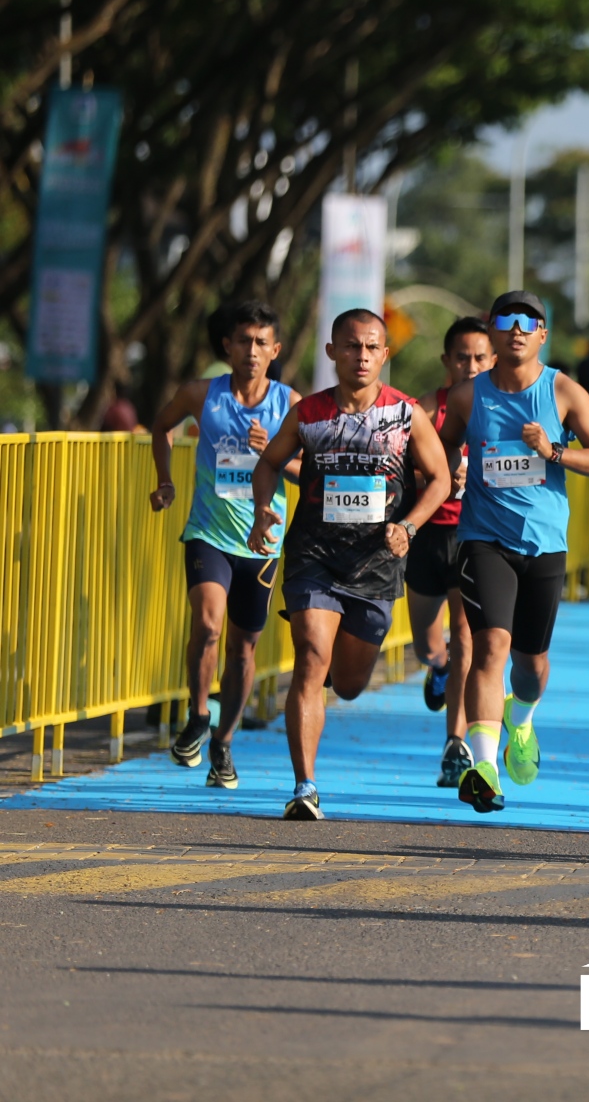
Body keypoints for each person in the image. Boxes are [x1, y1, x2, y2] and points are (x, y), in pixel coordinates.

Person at [248, 309, 452, 820]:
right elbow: (269, 463)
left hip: (376, 563)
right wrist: (262, 508)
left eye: (371, 347)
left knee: (349, 683)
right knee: (311, 657)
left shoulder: (405, 414)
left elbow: (441, 479)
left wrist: (408, 527)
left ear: (385, 354)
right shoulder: (309, 413)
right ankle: (305, 786)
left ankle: (337, 681)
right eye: (351, 346)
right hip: (314, 555)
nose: (361, 356)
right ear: (332, 352)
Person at [436, 292, 589, 814]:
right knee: (490, 645)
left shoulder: (562, 391)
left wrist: (554, 451)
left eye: (528, 322)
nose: (516, 329)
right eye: (506, 320)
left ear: (542, 335)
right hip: (482, 538)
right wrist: (450, 470)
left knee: (530, 664)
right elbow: (442, 445)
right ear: (492, 332)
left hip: (544, 543)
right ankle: (484, 768)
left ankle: (522, 718)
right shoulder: (467, 396)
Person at [149, 300, 300, 787]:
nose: (252, 351)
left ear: (275, 350)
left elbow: (310, 471)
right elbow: (161, 426)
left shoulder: (290, 404)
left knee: (242, 649)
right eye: (243, 341)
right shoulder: (201, 394)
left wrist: (272, 454)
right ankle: (198, 714)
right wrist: (165, 480)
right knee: (208, 625)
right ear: (227, 346)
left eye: (261, 343)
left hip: (261, 543)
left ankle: (224, 742)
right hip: (208, 533)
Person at [407, 316, 494, 788]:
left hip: (474, 534)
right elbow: (400, 471)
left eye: (480, 357)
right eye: (462, 357)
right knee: (428, 643)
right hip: (427, 535)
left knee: (466, 638)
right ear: (446, 360)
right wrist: (436, 477)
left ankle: (455, 744)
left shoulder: (501, 407)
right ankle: (436, 668)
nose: (471, 366)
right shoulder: (424, 408)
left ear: (493, 359)